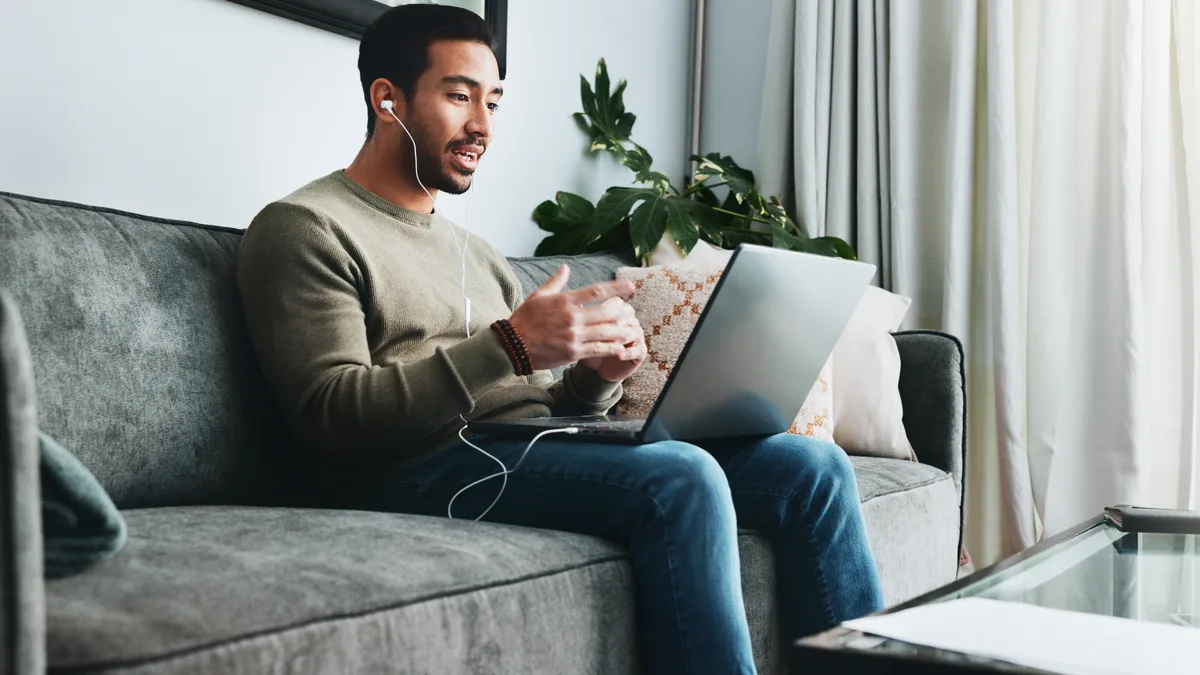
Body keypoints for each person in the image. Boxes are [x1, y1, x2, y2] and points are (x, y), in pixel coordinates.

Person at [235, 5, 883, 673]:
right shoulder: (305, 227)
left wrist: (598, 376)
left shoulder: (476, 253)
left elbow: (540, 412)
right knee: (680, 478)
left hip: (509, 454)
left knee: (812, 468)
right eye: (459, 96)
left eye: (493, 101)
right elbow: (330, 419)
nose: (482, 126)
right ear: (387, 98)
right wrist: (509, 345)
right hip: (411, 471)